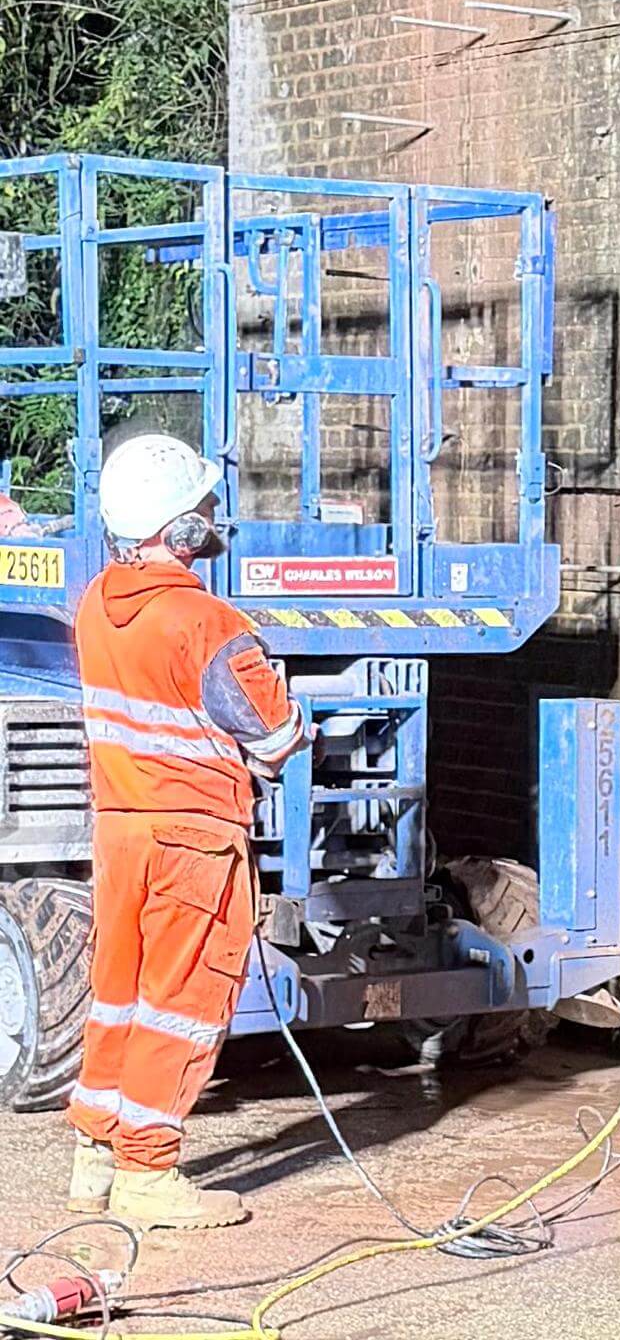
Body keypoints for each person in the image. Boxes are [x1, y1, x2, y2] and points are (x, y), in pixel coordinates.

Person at [68, 434, 308, 1230]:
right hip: (193, 839)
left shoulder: (96, 602)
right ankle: (148, 1174)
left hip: (122, 830)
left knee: (122, 994)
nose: (216, 517)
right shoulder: (207, 622)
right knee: (182, 1000)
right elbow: (273, 735)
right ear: (180, 531)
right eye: (205, 507)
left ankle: (96, 1157)